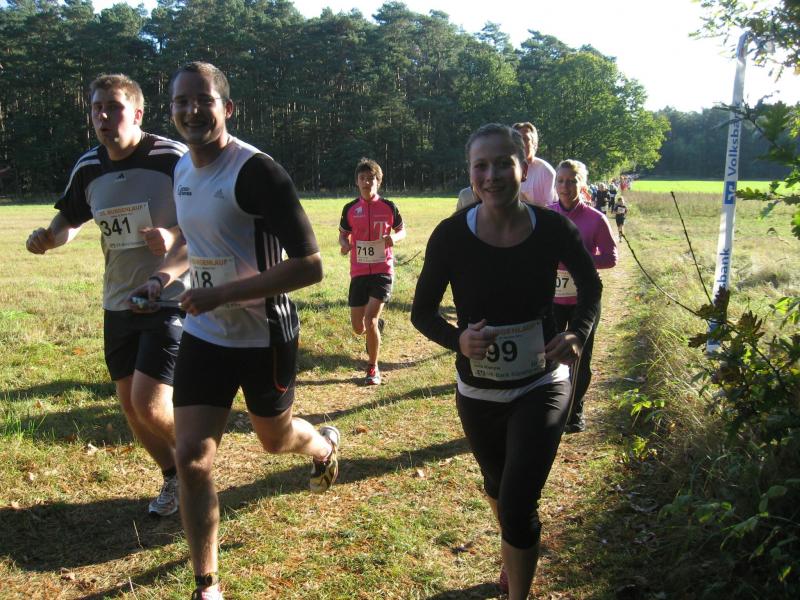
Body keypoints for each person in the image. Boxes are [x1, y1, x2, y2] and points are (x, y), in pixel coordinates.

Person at [130, 62, 339, 600]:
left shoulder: (258, 172)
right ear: (170, 110)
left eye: (203, 100)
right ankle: (208, 586)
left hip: (265, 334)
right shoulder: (183, 168)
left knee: (275, 440)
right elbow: (192, 244)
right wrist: (162, 277)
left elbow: (310, 266)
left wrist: (223, 293)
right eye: (181, 101)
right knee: (192, 458)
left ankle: (321, 446)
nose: (191, 110)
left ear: (227, 108)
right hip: (205, 333)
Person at [411, 124, 601, 599]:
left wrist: (577, 334)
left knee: (517, 503)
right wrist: (459, 340)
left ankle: (518, 584)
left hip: (543, 382)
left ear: (523, 168)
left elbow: (591, 287)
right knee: (496, 486)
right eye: (481, 165)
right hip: (478, 390)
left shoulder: (552, 228)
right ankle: (512, 550)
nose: (491, 175)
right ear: (469, 172)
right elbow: (422, 313)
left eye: (503, 164)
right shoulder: (450, 236)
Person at [25, 74, 187, 517]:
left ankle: (198, 462)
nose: (103, 116)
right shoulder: (89, 166)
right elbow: (70, 218)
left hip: (168, 295)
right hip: (118, 300)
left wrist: (172, 234)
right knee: (132, 409)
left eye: (113, 107)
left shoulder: (173, 158)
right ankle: (174, 475)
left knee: (149, 403)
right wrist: (49, 237)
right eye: (97, 107)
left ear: (137, 113)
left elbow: (206, 215)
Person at [549, 160, 617, 432]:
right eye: (560, 181)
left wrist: (579, 261)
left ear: (583, 184)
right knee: (549, 353)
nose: (565, 186)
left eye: (571, 181)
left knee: (579, 358)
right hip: (552, 299)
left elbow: (611, 258)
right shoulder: (546, 215)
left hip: (583, 301)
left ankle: (573, 413)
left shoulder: (595, 219)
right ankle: (550, 408)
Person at [339, 158, 406, 385]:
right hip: (358, 272)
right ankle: (375, 328)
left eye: (371, 178)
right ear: (357, 182)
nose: (367, 182)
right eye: (363, 178)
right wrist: (344, 244)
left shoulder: (389, 206)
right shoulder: (350, 209)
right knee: (358, 328)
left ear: (378, 181)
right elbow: (343, 234)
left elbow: (402, 231)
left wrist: (394, 238)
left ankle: (372, 367)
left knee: (370, 320)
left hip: (382, 270)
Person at [511, 121, 557, 207]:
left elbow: (550, 207)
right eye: (516, 140)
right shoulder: (506, 169)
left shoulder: (546, 172)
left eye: (525, 139)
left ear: (535, 144)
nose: (520, 144)